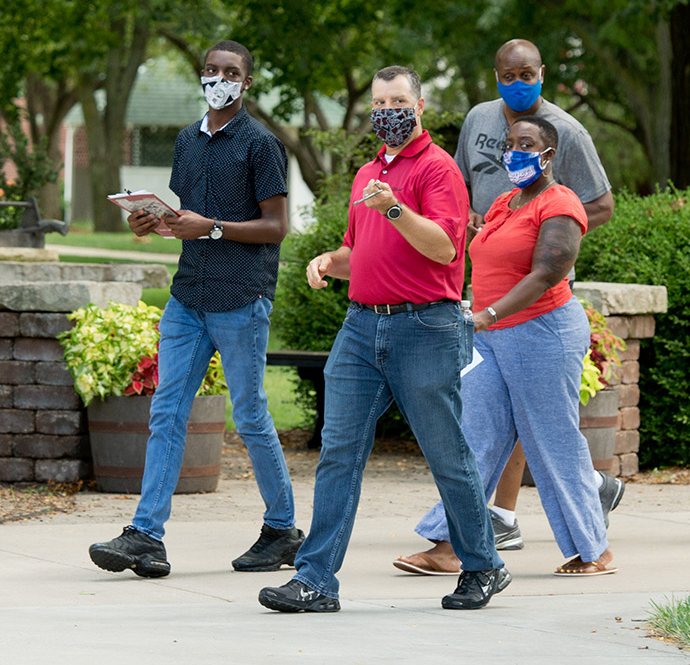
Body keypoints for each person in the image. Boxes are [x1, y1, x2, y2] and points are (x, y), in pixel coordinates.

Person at [258, 66, 508, 614]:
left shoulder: (439, 170)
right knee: (339, 453)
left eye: (397, 101)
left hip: (426, 328)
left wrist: (394, 207)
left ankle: (483, 565)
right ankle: (315, 579)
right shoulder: (368, 173)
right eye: (378, 102)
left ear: (419, 107)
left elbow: (444, 248)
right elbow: (361, 253)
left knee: (446, 454)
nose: (386, 111)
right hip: (360, 327)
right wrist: (331, 261)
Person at [89, 40, 302, 577]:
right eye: (211, 70)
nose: (219, 78)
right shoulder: (188, 140)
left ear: (246, 83)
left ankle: (282, 531)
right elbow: (183, 216)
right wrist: (149, 221)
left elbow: (277, 227)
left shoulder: (261, 144)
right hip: (188, 298)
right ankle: (146, 536)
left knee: (251, 415)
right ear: (201, 76)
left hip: (240, 297)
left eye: (231, 72)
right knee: (166, 412)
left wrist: (209, 226)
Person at [395, 116, 616, 577]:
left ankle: (593, 549)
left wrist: (489, 314)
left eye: (526, 144)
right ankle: (450, 545)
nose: (514, 152)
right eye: (510, 143)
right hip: (491, 337)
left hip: (544, 332)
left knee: (552, 441)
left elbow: (547, 272)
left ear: (548, 155)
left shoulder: (562, 203)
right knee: (473, 436)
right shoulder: (504, 201)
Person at [452, 38, 624, 551]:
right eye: (509, 74)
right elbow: (462, 187)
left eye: (528, 73)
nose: (518, 82)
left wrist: (537, 230)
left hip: (534, 296)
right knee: (492, 416)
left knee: (536, 418)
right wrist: (486, 225)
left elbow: (601, 207)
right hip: (487, 281)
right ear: (495, 75)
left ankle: (511, 516)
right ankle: (480, 523)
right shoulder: (479, 119)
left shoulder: (567, 132)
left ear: (542, 73)